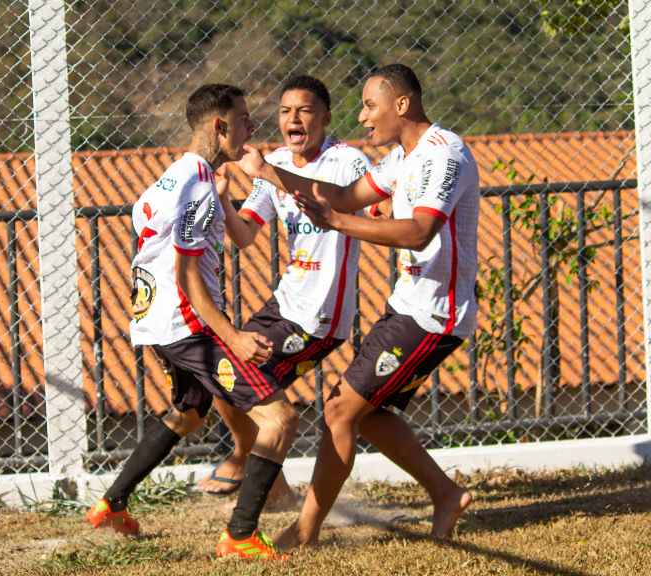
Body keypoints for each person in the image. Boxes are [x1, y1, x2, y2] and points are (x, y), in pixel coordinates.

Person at [238, 64, 477, 550]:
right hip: (407, 305)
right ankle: (446, 493)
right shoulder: (399, 158)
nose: (364, 117)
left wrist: (337, 223)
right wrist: (268, 172)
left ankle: (305, 531)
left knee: (341, 412)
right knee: (365, 414)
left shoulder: (443, 152)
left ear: (402, 105)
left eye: (371, 105)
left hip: (434, 314)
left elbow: (417, 230)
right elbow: (341, 196)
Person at [84, 83, 296, 561]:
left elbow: (148, 234)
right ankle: (241, 535)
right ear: (219, 126)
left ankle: (111, 503)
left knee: (191, 411)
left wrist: (215, 203)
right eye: (244, 119)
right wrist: (234, 337)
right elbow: (186, 274)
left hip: (155, 323)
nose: (252, 128)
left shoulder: (173, 178)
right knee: (280, 418)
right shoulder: (197, 186)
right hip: (188, 327)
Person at [197, 75, 374, 507]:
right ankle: (275, 490)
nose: (293, 119)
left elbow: (353, 207)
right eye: (284, 111)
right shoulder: (274, 161)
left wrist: (269, 173)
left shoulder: (347, 162)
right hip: (286, 302)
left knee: (239, 374)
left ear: (326, 118)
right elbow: (244, 236)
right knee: (215, 364)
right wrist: (223, 201)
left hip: (319, 315)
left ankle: (247, 464)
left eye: (305, 111)